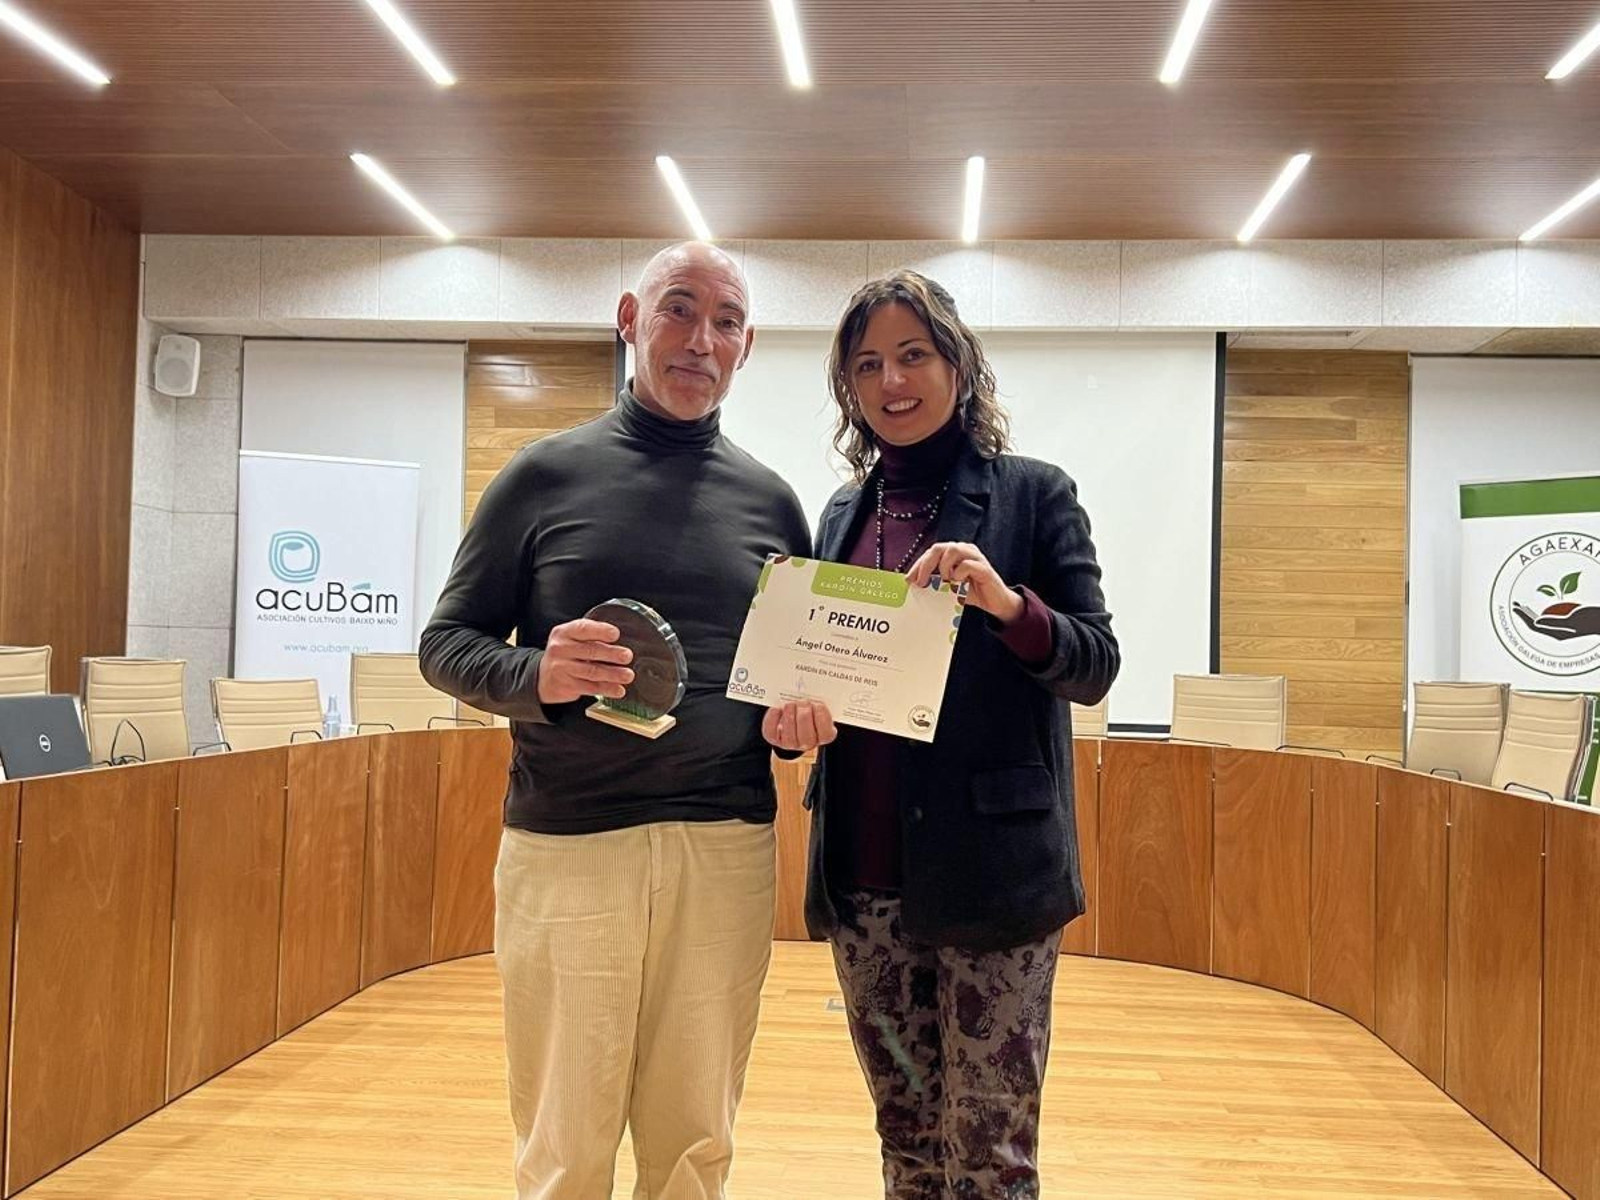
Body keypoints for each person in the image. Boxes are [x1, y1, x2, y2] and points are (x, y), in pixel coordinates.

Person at [419, 242, 811, 1200]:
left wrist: (796, 723)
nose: (700, 339)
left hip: (724, 846)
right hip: (568, 845)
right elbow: (446, 645)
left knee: (695, 1143)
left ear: (747, 345)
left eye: (726, 321)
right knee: (564, 1143)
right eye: (679, 310)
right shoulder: (542, 476)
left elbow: (791, 680)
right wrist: (537, 671)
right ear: (630, 319)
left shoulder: (773, 503)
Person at [763, 270, 1120, 1198]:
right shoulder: (842, 513)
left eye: (913, 355)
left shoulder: (1033, 497)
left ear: (957, 364)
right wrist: (791, 717)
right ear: (849, 386)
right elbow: (821, 674)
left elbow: (1094, 664)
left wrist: (1006, 603)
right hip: (863, 876)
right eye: (869, 363)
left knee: (991, 1154)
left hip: (994, 876)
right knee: (907, 1137)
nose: (893, 382)